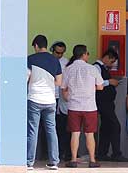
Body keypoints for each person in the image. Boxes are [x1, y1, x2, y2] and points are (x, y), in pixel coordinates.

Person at [61, 45, 103, 168]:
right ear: (84, 54)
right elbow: (100, 86)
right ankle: (92, 160)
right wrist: (91, 88)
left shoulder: (68, 69)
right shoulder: (92, 68)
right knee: (89, 134)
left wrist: (69, 97)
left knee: (75, 133)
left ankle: (73, 160)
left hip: (74, 106)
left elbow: (63, 89)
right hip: (90, 107)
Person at [27, 34, 62, 170]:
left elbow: (26, 78)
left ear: (36, 46)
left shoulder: (30, 59)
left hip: (34, 98)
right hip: (50, 100)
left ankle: (29, 162)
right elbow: (59, 82)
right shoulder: (55, 60)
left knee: (32, 130)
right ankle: (54, 161)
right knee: (51, 130)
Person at [93, 48, 126, 162]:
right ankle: (116, 153)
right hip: (102, 102)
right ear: (106, 57)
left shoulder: (104, 68)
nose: (112, 65)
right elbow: (95, 83)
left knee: (106, 128)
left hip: (107, 103)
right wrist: (109, 82)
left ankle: (102, 153)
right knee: (115, 125)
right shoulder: (96, 67)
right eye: (111, 62)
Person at [51, 41, 70, 161]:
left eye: (61, 53)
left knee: (62, 126)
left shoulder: (66, 62)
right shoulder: (47, 60)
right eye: (57, 52)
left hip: (62, 98)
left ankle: (62, 152)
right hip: (50, 96)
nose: (59, 55)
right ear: (52, 50)